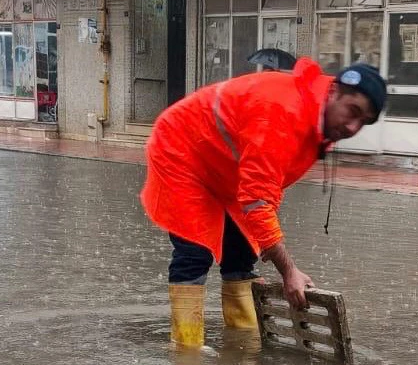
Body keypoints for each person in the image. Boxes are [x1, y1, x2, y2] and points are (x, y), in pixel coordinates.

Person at [141, 51, 387, 348]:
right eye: (353, 111)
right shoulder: (284, 112)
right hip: (183, 152)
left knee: (242, 254)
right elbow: (257, 200)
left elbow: (267, 188)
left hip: (227, 167)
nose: (352, 127)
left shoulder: (316, 121)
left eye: (364, 122)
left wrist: (268, 243)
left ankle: (244, 343)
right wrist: (289, 271)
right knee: (196, 252)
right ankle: (187, 352)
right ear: (333, 91)